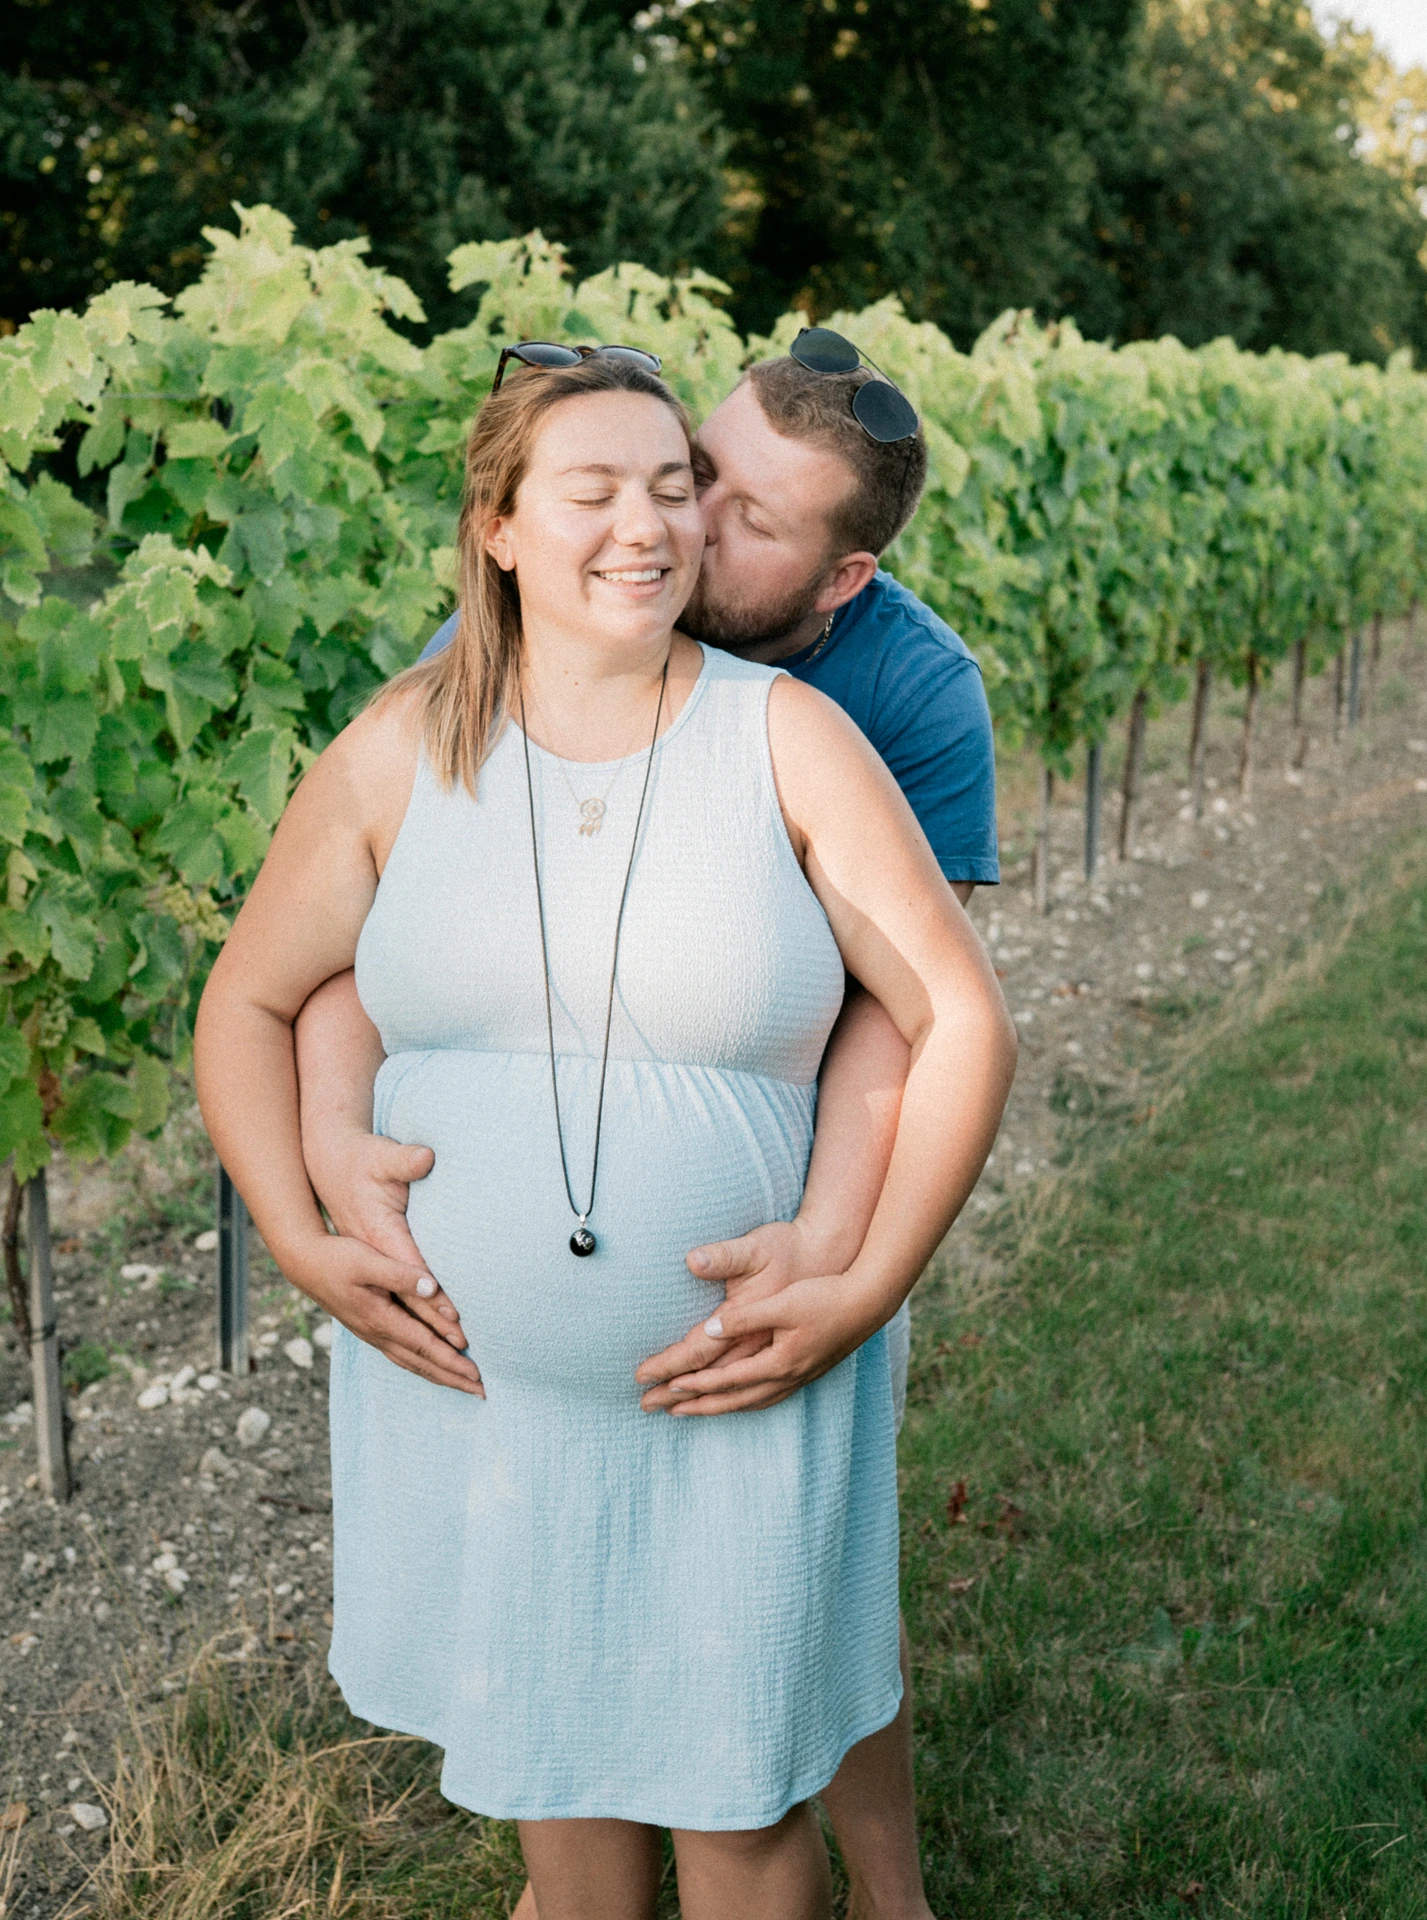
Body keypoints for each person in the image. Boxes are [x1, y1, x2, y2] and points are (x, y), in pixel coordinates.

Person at [195, 348, 1016, 1920]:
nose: (663, 522)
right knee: (559, 1817)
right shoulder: (410, 731)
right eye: (617, 486)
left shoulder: (834, 721)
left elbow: (927, 1020)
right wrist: (302, 1218)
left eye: (687, 495)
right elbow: (279, 989)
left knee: (738, 1813)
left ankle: (895, 1891)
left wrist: (856, 1276)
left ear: (835, 571)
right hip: (481, 1412)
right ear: (498, 527)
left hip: (735, 1377)